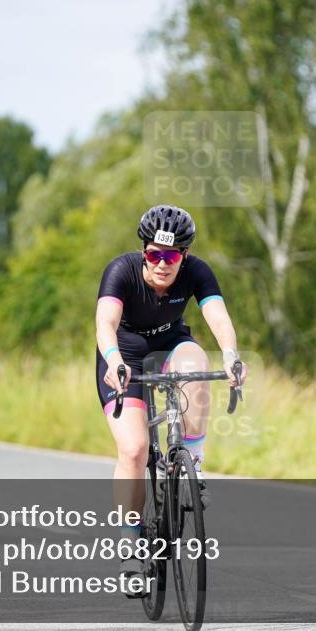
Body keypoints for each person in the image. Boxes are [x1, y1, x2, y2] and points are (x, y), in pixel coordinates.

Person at [95, 204, 246, 595]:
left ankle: (190, 466)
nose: (163, 264)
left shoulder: (197, 272)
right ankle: (130, 542)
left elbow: (218, 318)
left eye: (172, 256)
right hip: (123, 357)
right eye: (155, 255)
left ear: (185, 256)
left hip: (170, 345)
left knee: (197, 364)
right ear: (144, 251)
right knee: (134, 448)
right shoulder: (121, 271)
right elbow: (105, 323)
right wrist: (113, 361)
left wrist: (230, 355)